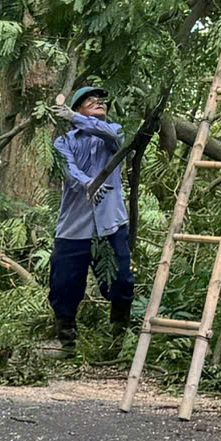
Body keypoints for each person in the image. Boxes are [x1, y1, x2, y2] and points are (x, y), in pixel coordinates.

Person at [49, 85, 134, 348]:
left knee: (121, 280)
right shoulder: (63, 142)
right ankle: (67, 342)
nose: (98, 101)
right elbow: (68, 170)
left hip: (111, 224)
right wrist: (89, 184)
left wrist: (76, 118)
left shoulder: (113, 132)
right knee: (63, 284)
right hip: (74, 227)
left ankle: (117, 340)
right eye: (89, 100)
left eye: (100, 100)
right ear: (76, 108)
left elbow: (113, 136)